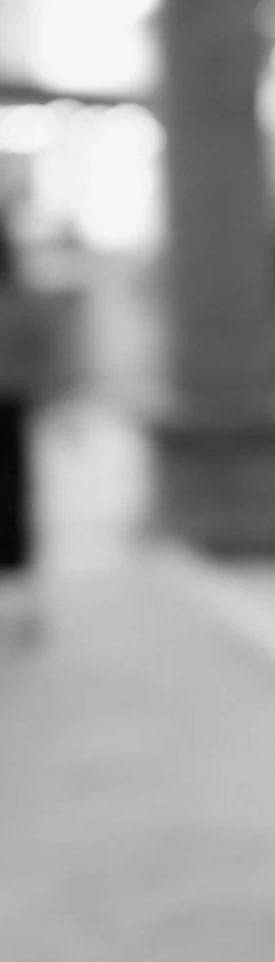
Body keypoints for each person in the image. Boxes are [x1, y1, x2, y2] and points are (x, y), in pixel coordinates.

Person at [0, 205, 51, 644]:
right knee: (14, 495)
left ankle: (21, 599)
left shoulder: (19, 298)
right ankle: (21, 599)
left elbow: (40, 349)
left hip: (12, 401)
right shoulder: (20, 297)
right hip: (14, 402)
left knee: (13, 495)